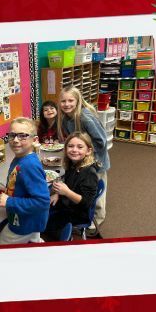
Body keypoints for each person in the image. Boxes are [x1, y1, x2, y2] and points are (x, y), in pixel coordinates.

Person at [56, 87, 109, 228]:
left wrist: (87, 157)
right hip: (82, 158)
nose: (66, 104)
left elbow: (102, 141)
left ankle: (98, 217)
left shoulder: (85, 117)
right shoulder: (66, 118)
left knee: (96, 190)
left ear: (78, 101)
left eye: (70, 100)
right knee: (84, 187)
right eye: (63, 101)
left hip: (96, 160)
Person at [0, 117, 50, 245]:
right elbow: (21, 183)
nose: (15, 140)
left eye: (23, 136)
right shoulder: (21, 157)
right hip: (29, 218)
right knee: (34, 237)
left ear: (34, 140)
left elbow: (42, 202)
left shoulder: (28, 165)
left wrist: (9, 201)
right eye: (12, 135)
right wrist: (8, 191)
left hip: (23, 224)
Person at [42, 132, 100, 242]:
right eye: (70, 146)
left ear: (88, 151)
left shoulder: (89, 173)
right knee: (43, 209)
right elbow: (69, 183)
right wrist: (57, 194)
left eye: (80, 147)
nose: (74, 150)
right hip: (67, 203)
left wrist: (66, 192)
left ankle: (64, 238)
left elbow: (86, 203)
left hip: (77, 212)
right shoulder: (73, 164)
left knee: (42, 222)